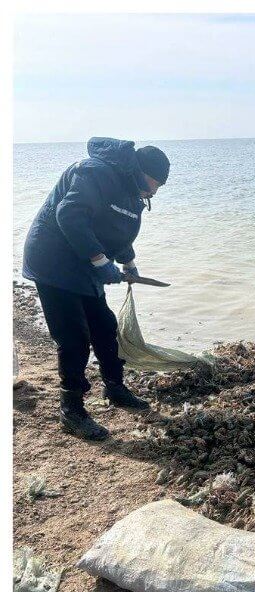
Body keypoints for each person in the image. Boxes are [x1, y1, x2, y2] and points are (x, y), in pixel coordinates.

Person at [21, 137, 170, 441]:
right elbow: (69, 215)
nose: (154, 192)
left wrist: (128, 264)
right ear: (140, 171)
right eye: (154, 184)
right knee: (74, 336)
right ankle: (71, 410)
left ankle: (115, 388)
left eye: (158, 188)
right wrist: (100, 261)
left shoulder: (132, 189)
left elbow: (118, 229)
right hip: (53, 260)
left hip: (84, 261)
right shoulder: (95, 172)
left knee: (104, 325)